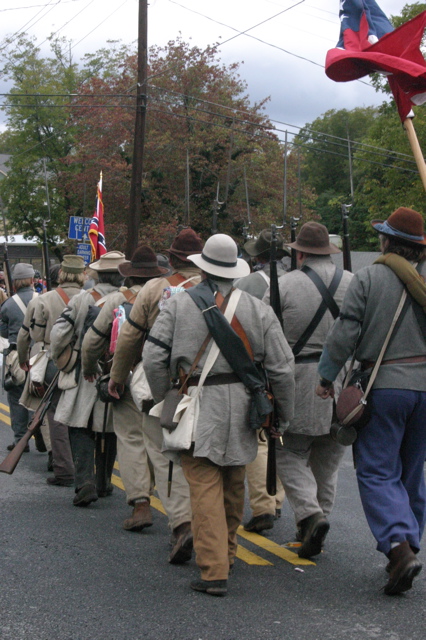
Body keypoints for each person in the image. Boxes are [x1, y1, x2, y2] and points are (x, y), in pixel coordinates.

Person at [143, 233, 295, 597]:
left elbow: (152, 358)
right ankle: (226, 553)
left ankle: (213, 570)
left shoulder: (179, 306)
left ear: (203, 266)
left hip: (197, 403)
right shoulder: (259, 309)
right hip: (244, 404)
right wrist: (282, 415)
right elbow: (283, 370)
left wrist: (167, 394)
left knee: (204, 483)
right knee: (232, 482)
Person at [316, 207, 426, 595]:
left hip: (384, 386)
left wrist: (327, 375)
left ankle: (398, 547)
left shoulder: (368, 278)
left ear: (386, 240)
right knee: (411, 472)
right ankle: (409, 545)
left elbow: (346, 333)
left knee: (378, 471)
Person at [108, 229, 203, 564]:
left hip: (162, 385)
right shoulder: (222, 289)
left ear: (173, 258)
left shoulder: (154, 288)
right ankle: (218, 536)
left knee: (166, 458)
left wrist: (117, 378)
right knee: (210, 463)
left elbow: (131, 339)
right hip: (212, 387)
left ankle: (182, 524)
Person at [264, 221, 352, 558]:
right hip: (342, 382)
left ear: (299, 252)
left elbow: (264, 335)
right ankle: (317, 524)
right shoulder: (352, 283)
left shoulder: (283, 285)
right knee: (327, 463)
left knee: (288, 453)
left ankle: (310, 516)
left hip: (296, 379)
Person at [81, 245, 168, 531]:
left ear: (129, 276)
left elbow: (93, 341)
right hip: (166, 378)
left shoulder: (117, 299)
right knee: (162, 445)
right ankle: (180, 516)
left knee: (131, 440)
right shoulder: (169, 294)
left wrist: (90, 369)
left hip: (128, 377)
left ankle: (141, 504)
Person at [50, 251, 126, 506]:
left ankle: (85, 482)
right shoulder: (130, 299)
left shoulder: (84, 298)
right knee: (110, 428)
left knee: (80, 425)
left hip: (86, 371)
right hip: (118, 371)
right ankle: (104, 483)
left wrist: (65, 357)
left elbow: (60, 332)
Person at [235, 229, 288, 533]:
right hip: (290, 363)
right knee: (279, 434)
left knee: (260, 437)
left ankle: (264, 504)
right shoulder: (297, 280)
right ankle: (277, 498)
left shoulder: (248, 284)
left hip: (260, 365)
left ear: (257, 257)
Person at [17, 255, 86, 487]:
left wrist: (24, 359)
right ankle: (86, 473)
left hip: (52, 362)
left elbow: (27, 335)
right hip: (85, 363)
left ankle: (64, 470)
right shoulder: (94, 299)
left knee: (56, 417)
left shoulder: (43, 299)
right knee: (83, 417)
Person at [0, 263, 37, 451]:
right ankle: (44, 440)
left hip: (16, 357)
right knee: (41, 399)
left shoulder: (8, 304)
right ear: (32, 280)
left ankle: (20, 441)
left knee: (16, 399)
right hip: (40, 355)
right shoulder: (44, 299)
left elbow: (4, 333)